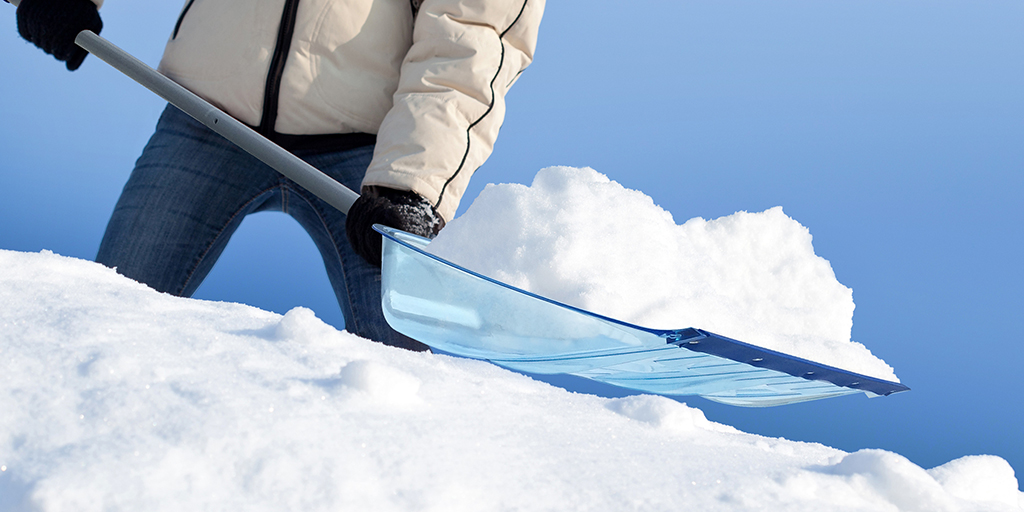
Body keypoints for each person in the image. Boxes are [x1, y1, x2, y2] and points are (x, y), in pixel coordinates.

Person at [14, 0, 545, 350]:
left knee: (411, 369)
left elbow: (472, 40)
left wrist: (411, 182)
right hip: (206, 115)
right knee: (97, 330)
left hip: (370, 162)